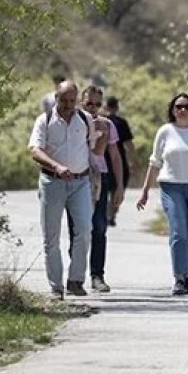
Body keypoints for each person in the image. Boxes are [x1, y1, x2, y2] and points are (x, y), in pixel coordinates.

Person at [136, 93, 188, 296]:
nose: (183, 110)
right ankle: (179, 277)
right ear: (172, 110)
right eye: (178, 106)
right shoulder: (165, 131)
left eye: (187, 107)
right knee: (178, 232)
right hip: (171, 187)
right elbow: (155, 162)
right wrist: (145, 190)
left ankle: (186, 270)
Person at [29, 80, 98, 300]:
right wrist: (56, 166)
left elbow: (93, 148)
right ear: (56, 98)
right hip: (52, 183)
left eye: (72, 100)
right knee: (52, 236)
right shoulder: (45, 120)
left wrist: (103, 134)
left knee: (85, 230)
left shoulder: (85, 119)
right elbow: (34, 150)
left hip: (80, 182)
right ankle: (56, 286)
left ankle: (76, 280)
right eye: (64, 100)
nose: (69, 105)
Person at [79, 86, 123, 292]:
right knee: (78, 228)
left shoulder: (107, 124)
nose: (93, 108)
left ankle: (97, 275)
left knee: (99, 227)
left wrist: (120, 186)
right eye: (89, 103)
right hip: (77, 177)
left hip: (99, 178)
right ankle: (76, 275)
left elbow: (114, 155)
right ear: (82, 102)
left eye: (98, 104)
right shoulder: (74, 122)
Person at [102, 96, 136, 226]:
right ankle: (112, 215)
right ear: (116, 107)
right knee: (118, 188)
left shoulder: (102, 121)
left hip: (103, 159)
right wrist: (132, 161)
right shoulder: (122, 122)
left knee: (105, 188)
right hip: (119, 159)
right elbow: (129, 144)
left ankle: (105, 214)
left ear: (106, 107)